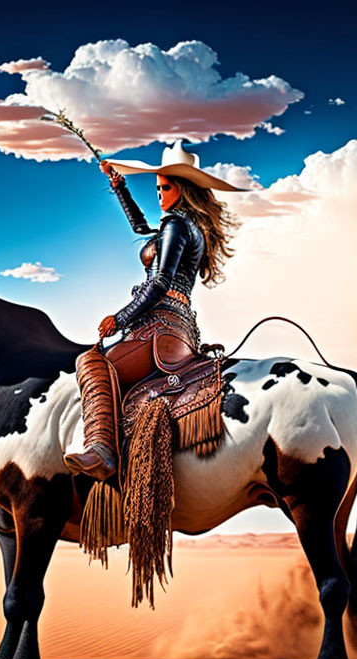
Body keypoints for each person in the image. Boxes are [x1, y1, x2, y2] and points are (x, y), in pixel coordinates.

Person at [63, 140, 245, 480]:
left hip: (161, 329)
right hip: (181, 329)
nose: (160, 193)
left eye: (165, 187)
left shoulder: (177, 225)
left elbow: (159, 282)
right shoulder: (189, 227)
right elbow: (142, 230)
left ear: (183, 189)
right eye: (158, 187)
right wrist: (120, 189)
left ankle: (102, 450)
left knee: (90, 363)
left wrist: (120, 318)